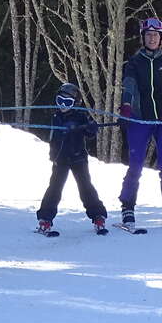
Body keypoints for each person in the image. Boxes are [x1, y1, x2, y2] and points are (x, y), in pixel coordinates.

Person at [118, 17, 162, 227]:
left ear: (161, 39)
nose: (152, 39)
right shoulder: (134, 63)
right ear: (143, 38)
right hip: (139, 119)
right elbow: (129, 86)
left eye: (156, 35)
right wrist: (126, 106)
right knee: (135, 164)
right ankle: (127, 205)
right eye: (148, 35)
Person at [36, 83, 108, 236]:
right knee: (55, 188)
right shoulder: (55, 116)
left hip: (78, 158)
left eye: (67, 102)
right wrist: (66, 128)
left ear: (75, 103)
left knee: (85, 187)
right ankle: (45, 219)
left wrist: (90, 127)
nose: (62, 105)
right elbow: (48, 133)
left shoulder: (80, 115)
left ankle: (98, 216)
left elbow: (89, 131)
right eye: (59, 101)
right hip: (60, 158)